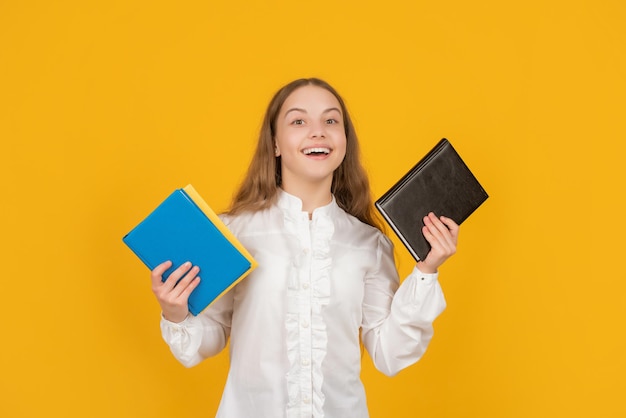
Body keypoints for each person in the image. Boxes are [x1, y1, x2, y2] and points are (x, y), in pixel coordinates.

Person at [150, 78, 459, 418]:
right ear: (276, 144)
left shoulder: (369, 244)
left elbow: (389, 353)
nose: (318, 132)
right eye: (299, 121)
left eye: (331, 121)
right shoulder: (231, 232)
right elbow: (206, 341)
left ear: (344, 143)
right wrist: (176, 313)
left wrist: (426, 271)